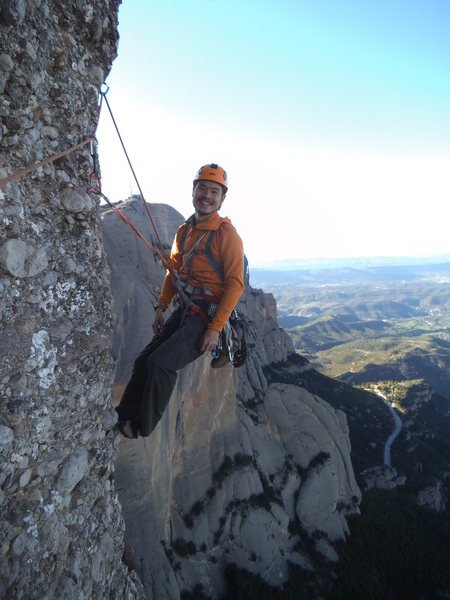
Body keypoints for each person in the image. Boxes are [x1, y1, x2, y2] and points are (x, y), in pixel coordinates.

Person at [116, 163, 245, 438]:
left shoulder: (227, 235)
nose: (207, 195)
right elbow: (173, 273)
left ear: (222, 198)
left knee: (162, 363)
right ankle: (122, 417)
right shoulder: (184, 232)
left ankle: (141, 426)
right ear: (193, 191)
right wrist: (161, 307)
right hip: (188, 308)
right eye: (202, 188)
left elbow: (235, 284)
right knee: (143, 361)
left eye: (214, 191)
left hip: (209, 314)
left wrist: (215, 327)